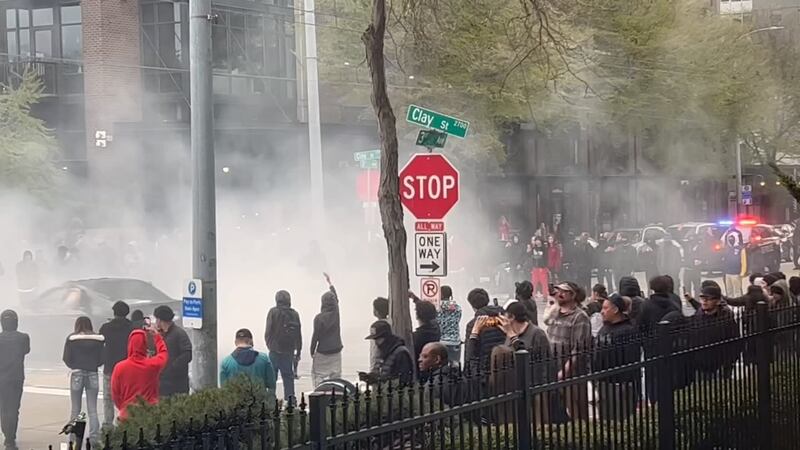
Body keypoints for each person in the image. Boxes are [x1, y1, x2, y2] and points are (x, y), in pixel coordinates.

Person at [547, 282, 591, 420]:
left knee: (576, 409)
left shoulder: (580, 317)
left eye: (564, 291)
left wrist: (565, 371)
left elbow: (579, 348)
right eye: (558, 290)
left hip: (572, 373)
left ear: (573, 295)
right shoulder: (555, 313)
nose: (559, 293)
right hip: (553, 367)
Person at [593, 294, 640, 419]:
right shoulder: (605, 327)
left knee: (621, 417)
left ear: (615, 310)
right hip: (604, 382)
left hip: (621, 384)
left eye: (605, 308)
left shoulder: (627, 331)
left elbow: (631, 359)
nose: (602, 312)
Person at [111, 327, 168, 420]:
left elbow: (115, 393)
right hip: (149, 413)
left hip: (127, 414)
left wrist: (123, 407)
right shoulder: (152, 365)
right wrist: (157, 337)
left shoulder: (119, 367)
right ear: (144, 345)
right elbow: (163, 354)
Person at [62, 317, 104, 441]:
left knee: (76, 409)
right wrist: (93, 365)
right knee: (92, 409)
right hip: (92, 373)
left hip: (77, 374)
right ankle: (94, 438)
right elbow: (102, 357)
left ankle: (73, 439)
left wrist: (74, 365)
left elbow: (66, 357)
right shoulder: (98, 339)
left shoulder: (72, 338)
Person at [98, 301, 135, 426]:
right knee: (126, 398)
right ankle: (123, 423)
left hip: (109, 367)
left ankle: (108, 425)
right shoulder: (132, 328)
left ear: (114, 312)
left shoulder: (105, 328)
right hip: (127, 368)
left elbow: (99, 345)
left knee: (108, 399)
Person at [693, 285, 739, 378]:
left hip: (720, 364)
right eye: (702, 298)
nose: (704, 301)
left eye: (708, 299)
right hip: (700, 364)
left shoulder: (726, 319)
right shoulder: (697, 316)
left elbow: (735, 343)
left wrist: (728, 363)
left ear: (718, 301)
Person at [264, 290, 302, 400]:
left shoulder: (272, 312)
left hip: (275, 351)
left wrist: (271, 346)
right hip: (288, 352)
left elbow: (267, 332)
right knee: (288, 378)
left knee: (272, 379)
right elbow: (298, 335)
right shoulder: (294, 314)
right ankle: (290, 404)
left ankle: (271, 404)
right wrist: (298, 351)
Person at [0, 311, 29, 450]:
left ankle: (8, 436)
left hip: (1, 378)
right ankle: (11, 436)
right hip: (17, 377)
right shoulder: (23, 337)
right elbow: (26, 351)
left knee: (4, 408)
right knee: (14, 408)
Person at [310, 273, 343, 388]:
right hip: (336, 350)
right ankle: (336, 400)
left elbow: (316, 337)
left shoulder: (319, 318)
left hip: (323, 352)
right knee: (336, 378)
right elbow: (335, 298)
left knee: (318, 376)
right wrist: (330, 283)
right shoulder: (336, 313)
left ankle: (319, 397)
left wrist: (312, 350)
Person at [464, 288, 506, 371]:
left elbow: (470, 351)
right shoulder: (503, 320)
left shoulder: (473, 324)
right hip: (504, 364)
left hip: (483, 368)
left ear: (472, 305)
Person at [154, 305, 192, 397]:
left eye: (156, 319)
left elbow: (187, 354)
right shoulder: (162, 334)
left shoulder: (179, 333)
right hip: (164, 385)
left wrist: (171, 368)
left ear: (160, 320)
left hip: (177, 384)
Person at [412, 300, 441, 378]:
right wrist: (415, 299)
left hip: (420, 371)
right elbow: (427, 310)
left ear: (417, 316)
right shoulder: (436, 329)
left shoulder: (416, 337)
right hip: (433, 368)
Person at [436, 286, 462, 364]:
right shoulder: (458, 308)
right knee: (455, 365)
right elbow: (457, 320)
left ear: (441, 295)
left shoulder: (437, 308)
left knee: (441, 366)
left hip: (442, 340)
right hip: (455, 341)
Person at [369, 297, 391, 372]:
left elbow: (374, 349)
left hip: (378, 363)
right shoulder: (391, 323)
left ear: (376, 312)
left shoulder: (375, 326)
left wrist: (372, 368)